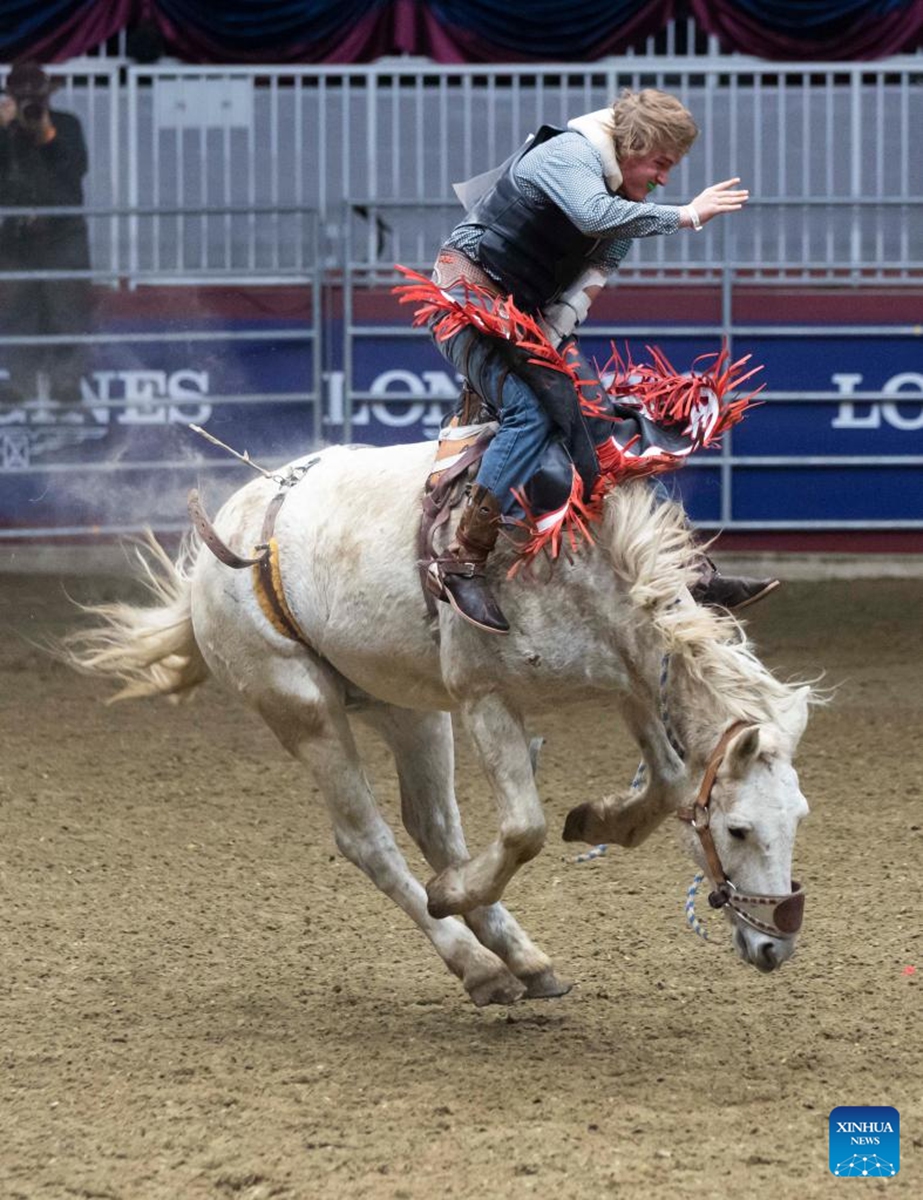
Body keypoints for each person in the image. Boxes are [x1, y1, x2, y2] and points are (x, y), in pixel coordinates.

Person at [419, 88, 778, 634]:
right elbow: (591, 215)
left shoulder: (619, 202)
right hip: (466, 297)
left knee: (608, 430)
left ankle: (681, 566)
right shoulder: (569, 155)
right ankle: (461, 560)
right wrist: (687, 215)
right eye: (661, 164)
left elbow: (586, 281)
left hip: (526, 315)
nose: (663, 179)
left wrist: (554, 343)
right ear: (633, 145)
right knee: (531, 415)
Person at [0, 61, 92, 404]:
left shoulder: (66, 125)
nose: (28, 105)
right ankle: (21, 385)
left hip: (62, 233)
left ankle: (66, 385)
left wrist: (44, 132)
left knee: (67, 310)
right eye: (21, 98)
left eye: (33, 98)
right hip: (16, 235)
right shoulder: (5, 131)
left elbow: (75, 169)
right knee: (17, 312)